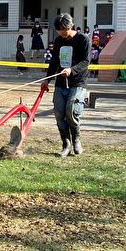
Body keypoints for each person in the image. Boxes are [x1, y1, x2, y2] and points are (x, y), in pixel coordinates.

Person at [41, 13, 91, 157]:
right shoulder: (58, 41)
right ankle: (66, 144)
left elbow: (86, 62)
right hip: (60, 83)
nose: (63, 34)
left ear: (70, 26)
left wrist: (71, 70)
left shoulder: (83, 40)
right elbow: (54, 62)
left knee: (71, 111)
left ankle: (76, 140)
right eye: (59, 31)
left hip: (78, 82)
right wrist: (47, 80)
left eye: (64, 31)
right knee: (58, 113)